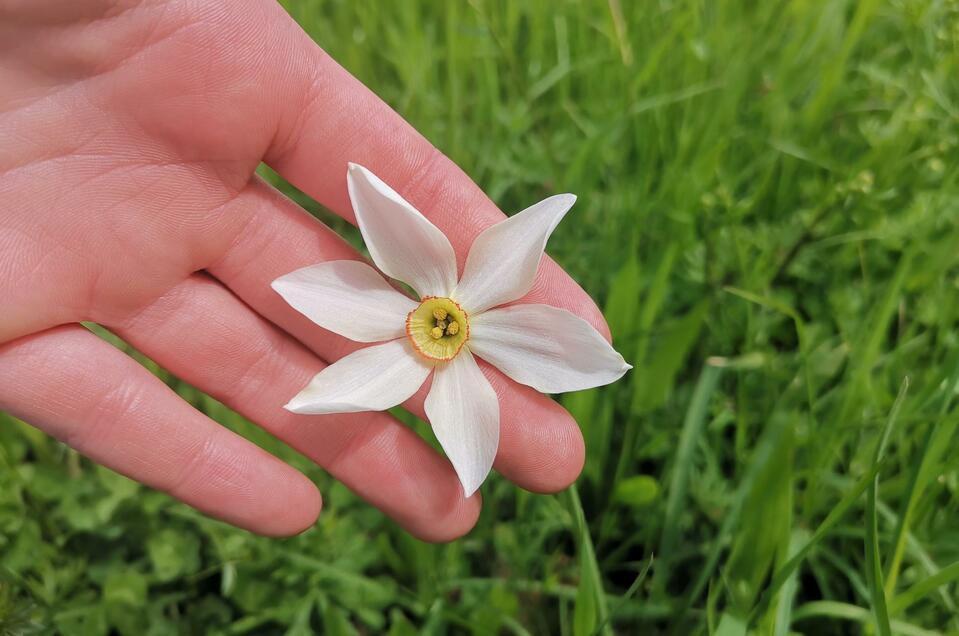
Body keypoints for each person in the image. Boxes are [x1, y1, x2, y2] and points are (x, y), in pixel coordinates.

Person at [0, 0, 609, 541]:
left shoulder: (456, 328)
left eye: (444, 322)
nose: (446, 323)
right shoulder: (426, 311)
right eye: (444, 320)